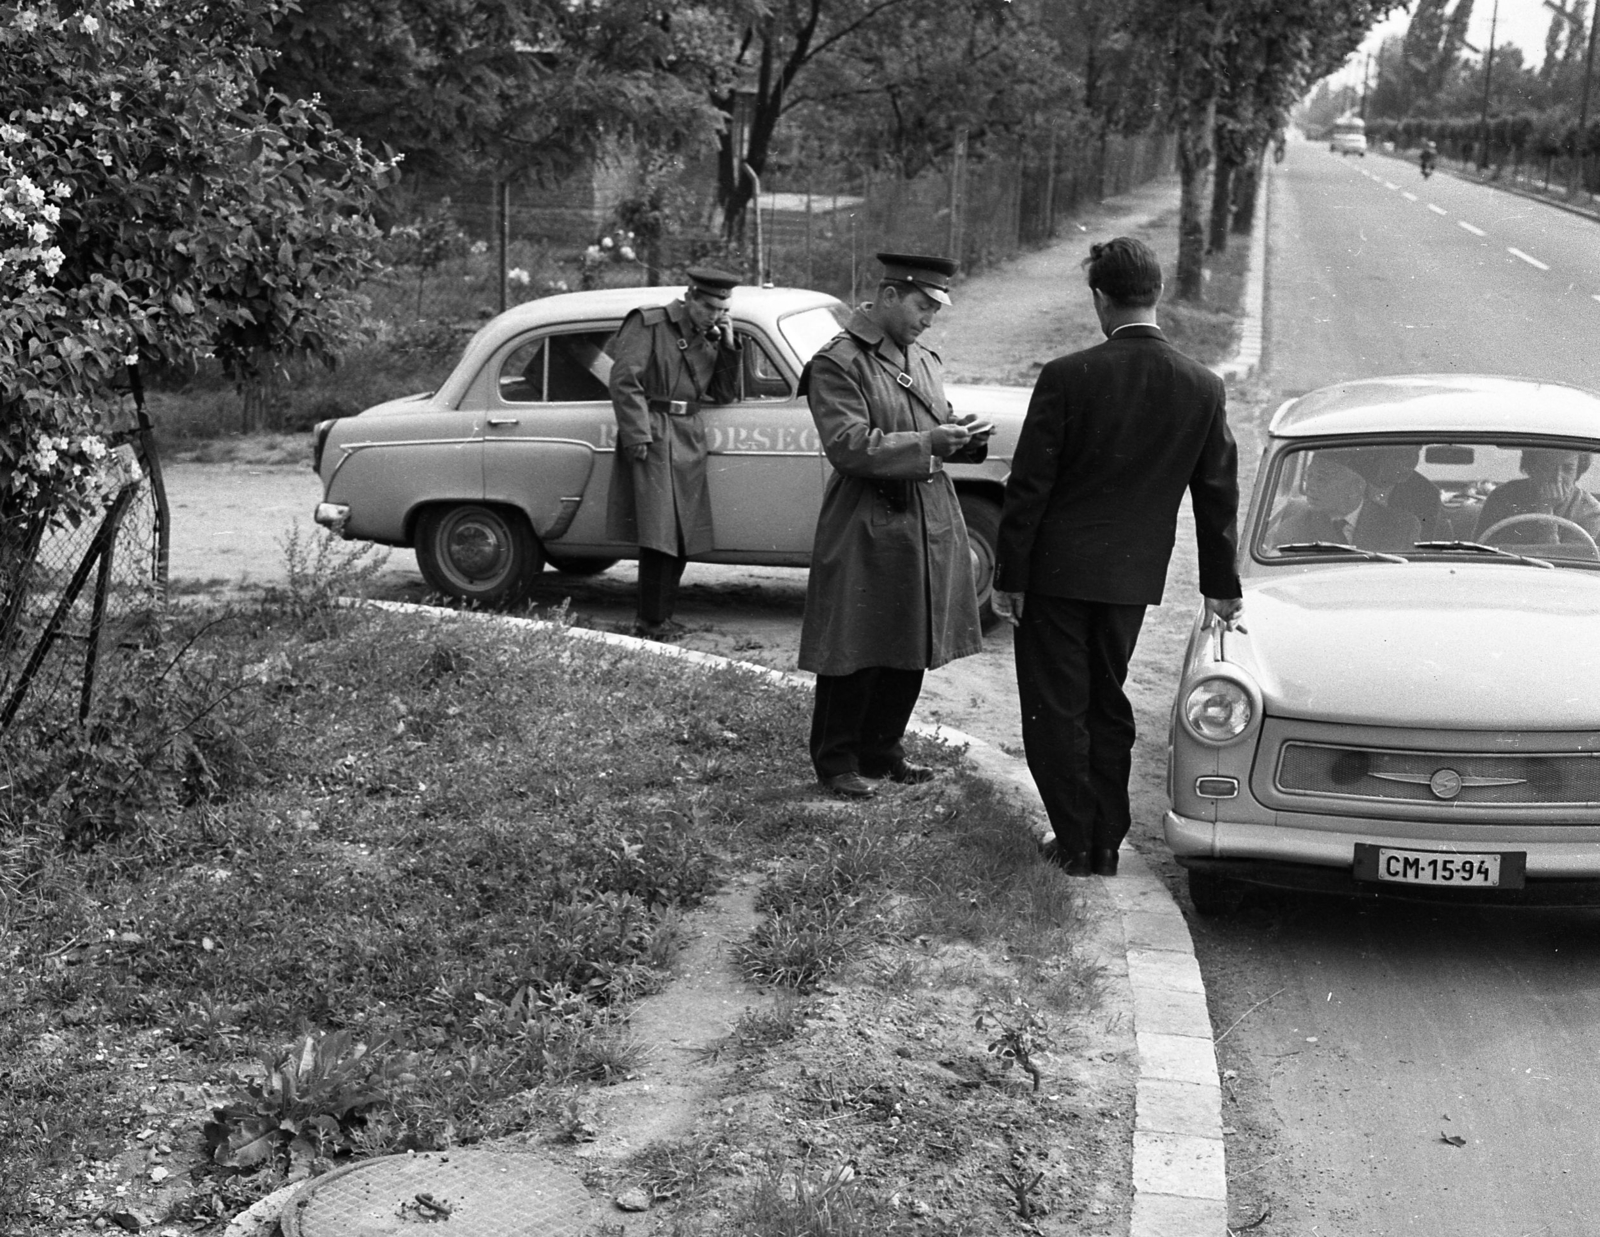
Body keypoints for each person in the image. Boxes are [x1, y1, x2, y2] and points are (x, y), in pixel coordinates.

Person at [993, 236, 1242, 878]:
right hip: (1132, 579)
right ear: (1156, 294)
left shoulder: (1067, 375)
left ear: (1100, 299)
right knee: (1109, 699)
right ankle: (1106, 839)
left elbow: (1030, 487)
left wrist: (1009, 575)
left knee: (1055, 708)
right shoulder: (1203, 386)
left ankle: (1077, 841)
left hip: (1054, 575)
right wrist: (1222, 587)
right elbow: (1217, 495)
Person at [798, 252, 994, 799]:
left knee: (911, 634)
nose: (930, 317)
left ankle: (883, 750)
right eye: (922, 305)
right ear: (888, 296)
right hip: (865, 516)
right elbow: (848, 445)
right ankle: (836, 760)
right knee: (855, 641)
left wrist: (963, 434)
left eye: (935, 307)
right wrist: (930, 444)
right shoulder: (839, 361)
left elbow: (935, 419)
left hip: (924, 514)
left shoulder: (922, 356)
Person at [606, 267, 743, 639]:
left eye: (722, 309)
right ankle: (650, 621)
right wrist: (638, 434)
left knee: (681, 534)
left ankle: (662, 616)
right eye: (711, 307)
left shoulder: (709, 337)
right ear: (691, 297)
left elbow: (724, 393)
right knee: (659, 534)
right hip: (655, 431)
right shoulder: (650, 323)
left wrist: (728, 344)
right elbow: (624, 380)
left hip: (688, 436)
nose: (716, 315)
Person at [1267, 450, 1421, 553]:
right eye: (1308, 478)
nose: (1309, 489)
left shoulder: (1402, 527)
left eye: (1321, 479)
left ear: (1355, 487)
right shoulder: (1293, 530)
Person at [1474, 448, 1600, 544]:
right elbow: (1481, 547)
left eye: (1568, 469)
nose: (1557, 478)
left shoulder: (1589, 509)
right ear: (1532, 466)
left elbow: (1567, 567)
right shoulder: (1502, 496)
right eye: (1547, 467)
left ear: (1578, 471)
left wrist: (1547, 511)